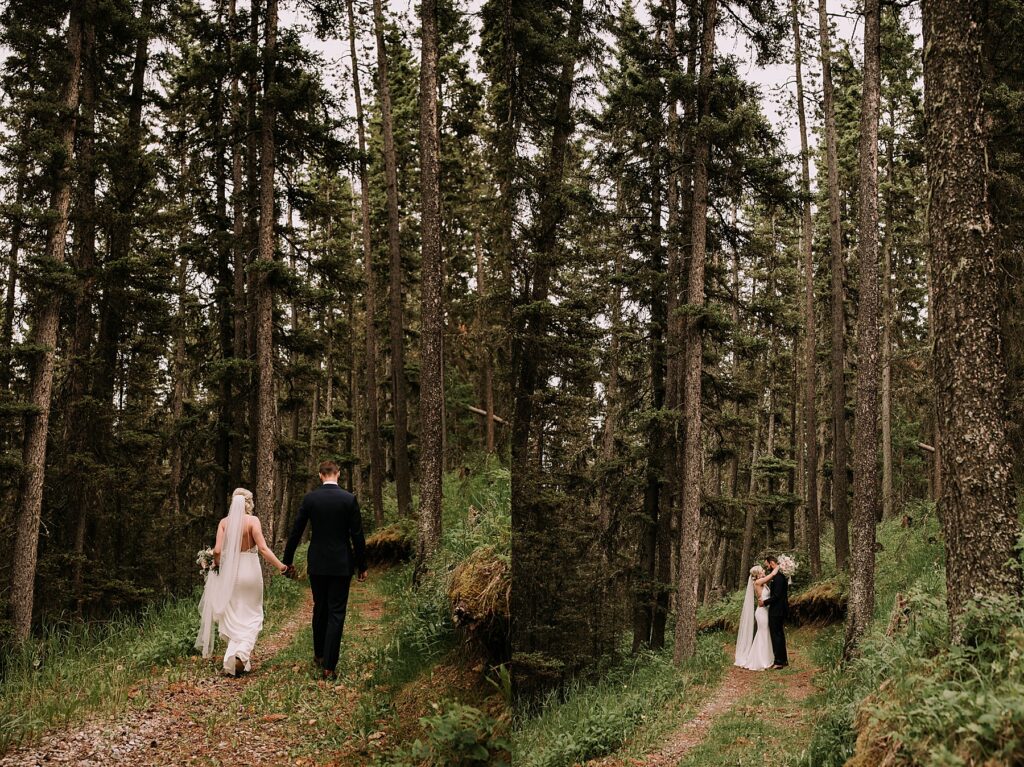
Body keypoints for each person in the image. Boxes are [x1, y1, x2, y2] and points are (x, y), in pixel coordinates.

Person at [282, 460, 368, 679]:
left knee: (320, 608)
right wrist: (362, 565)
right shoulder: (349, 499)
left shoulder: (311, 499)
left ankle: (319, 654)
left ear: (320, 475)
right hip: (342, 563)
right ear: (337, 474)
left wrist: (288, 560)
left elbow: (296, 531)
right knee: (336, 612)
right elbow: (357, 535)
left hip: (318, 563)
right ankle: (329, 666)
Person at [195, 487, 288, 676]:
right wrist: (281, 566)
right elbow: (263, 549)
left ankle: (233, 659)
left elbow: (218, 551)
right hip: (251, 572)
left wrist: (216, 566)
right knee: (252, 615)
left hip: (231, 574)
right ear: (249, 503)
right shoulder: (253, 521)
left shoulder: (224, 523)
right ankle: (240, 655)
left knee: (235, 616)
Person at [734, 563, 780, 671]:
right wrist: (779, 565)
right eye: (762, 571)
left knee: (765, 633)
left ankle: (767, 658)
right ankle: (759, 660)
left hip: (765, 610)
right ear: (758, 574)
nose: (764, 572)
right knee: (763, 633)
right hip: (761, 612)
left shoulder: (762, 583)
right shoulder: (758, 582)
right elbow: (772, 575)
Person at [759, 553, 790, 668]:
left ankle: (778, 662)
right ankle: (783, 660)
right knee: (780, 634)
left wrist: (765, 602)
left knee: (776, 634)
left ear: (772, 564)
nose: (767, 568)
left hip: (777, 610)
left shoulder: (777, 578)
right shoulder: (780, 576)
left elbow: (776, 596)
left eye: (767, 565)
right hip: (780, 610)